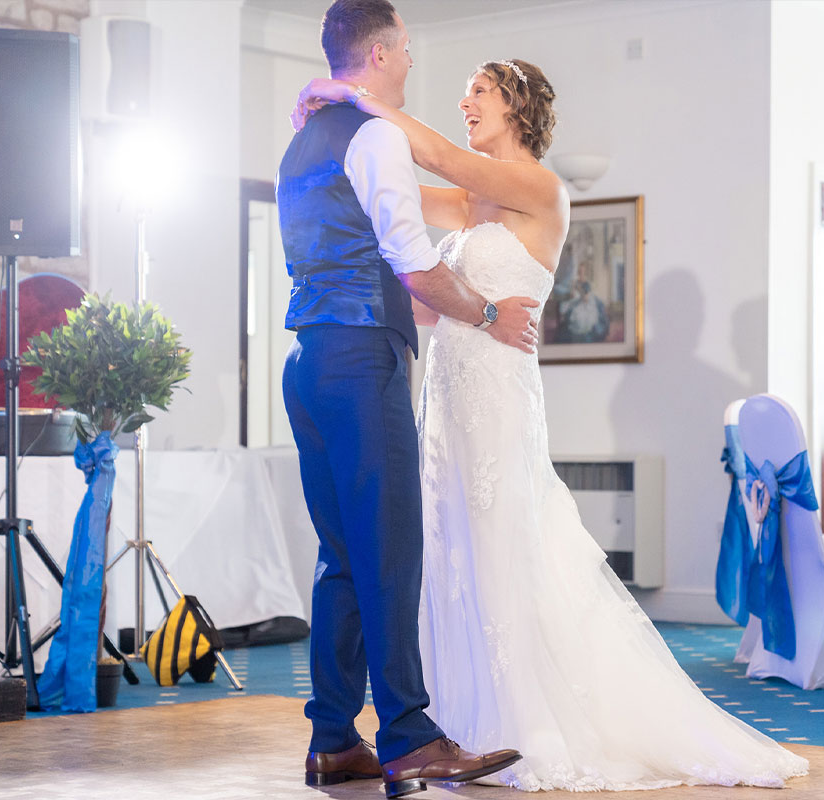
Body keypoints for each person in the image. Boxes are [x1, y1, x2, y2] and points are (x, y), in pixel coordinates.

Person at [292, 55, 811, 791]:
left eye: (479, 93)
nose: (465, 103)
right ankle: (462, 723)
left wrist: (349, 94)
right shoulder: (472, 204)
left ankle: (527, 723)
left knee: (504, 543)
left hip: (498, 398)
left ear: (516, 106)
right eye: (465, 94)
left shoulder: (538, 188)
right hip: (446, 398)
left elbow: (429, 154)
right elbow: (401, 210)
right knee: (449, 547)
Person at [276, 2, 528, 798]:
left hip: (307, 361)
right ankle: (411, 737)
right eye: (408, 51)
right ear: (381, 53)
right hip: (359, 361)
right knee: (389, 553)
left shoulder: (300, 140)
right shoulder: (372, 134)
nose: (412, 62)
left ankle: (332, 740)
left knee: (342, 557)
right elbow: (413, 265)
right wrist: (488, 313)